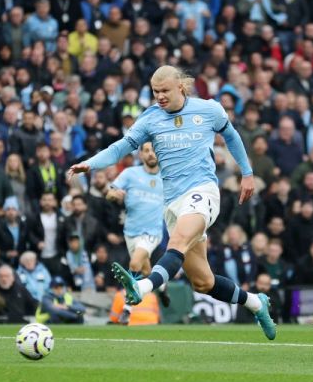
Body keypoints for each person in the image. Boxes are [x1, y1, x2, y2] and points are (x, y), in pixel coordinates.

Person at [68, 66, 276, 339]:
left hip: (203, 192)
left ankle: (141, 288)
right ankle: (257, 303)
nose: (160, 97)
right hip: (173, 202)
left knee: (176, 242)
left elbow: (232, 136)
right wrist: (89, 164)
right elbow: (120, 147)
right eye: (155, 92)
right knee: (203, 282)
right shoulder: (151, 118)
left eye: (165, 91)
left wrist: (247, 173)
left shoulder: (209, 110)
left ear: (181, 86)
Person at [106, 141, 170, 305]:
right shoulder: (130, 174)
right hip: (131, 231)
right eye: (147, 150)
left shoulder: (167, 175)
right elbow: (110, 193)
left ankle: (127, 309)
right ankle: (162, 289)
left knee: (134, 263)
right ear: (140, 155)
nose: (150, 153)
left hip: (152, 232)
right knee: (146, 270)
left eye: (154, 150)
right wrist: (115, 195)